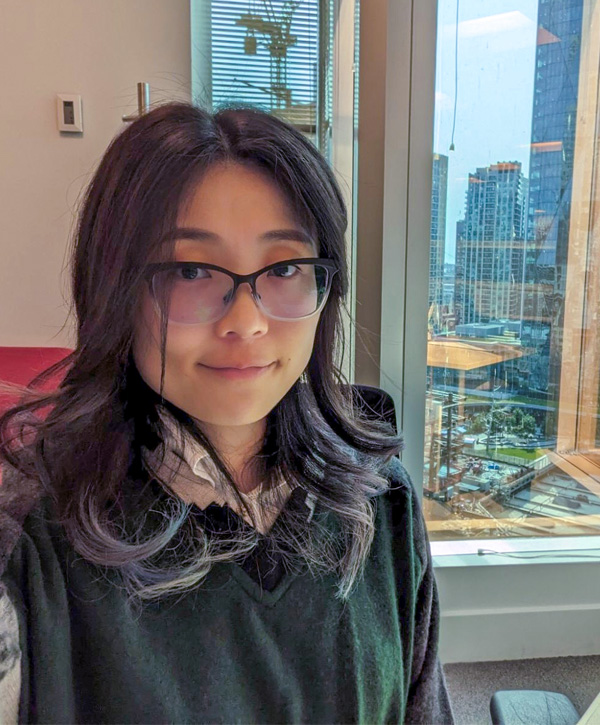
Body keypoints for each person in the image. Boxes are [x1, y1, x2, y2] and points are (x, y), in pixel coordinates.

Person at [0, 102, 455, 724]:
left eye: (286, 267)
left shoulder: (382, 501)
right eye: (191, 271)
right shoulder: (32, 540)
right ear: (115, 291)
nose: (246, 321)